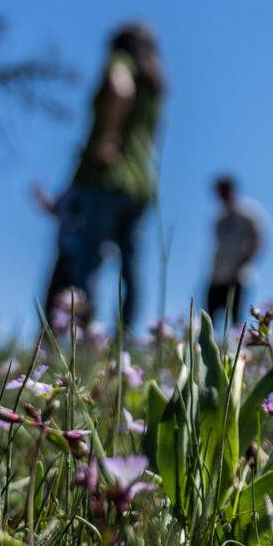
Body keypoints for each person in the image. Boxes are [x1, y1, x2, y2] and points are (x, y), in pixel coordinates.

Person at [42, 21, 166, 332]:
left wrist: (109, 136)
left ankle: (81, 332)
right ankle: (125, 334)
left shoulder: (121, 63)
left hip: (107, 177)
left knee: (88, 259)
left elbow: (119, 87)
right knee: (131, 265)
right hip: (140, 182)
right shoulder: (156, 85)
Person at [206, 176, 266, 324]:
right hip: (216, 277)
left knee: (234, 322)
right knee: (208, 319)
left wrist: (244, 264)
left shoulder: (248, 213)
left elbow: (259, 240)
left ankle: (234, 347)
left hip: (237, 277)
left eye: (222, 191)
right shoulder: (219, 219)